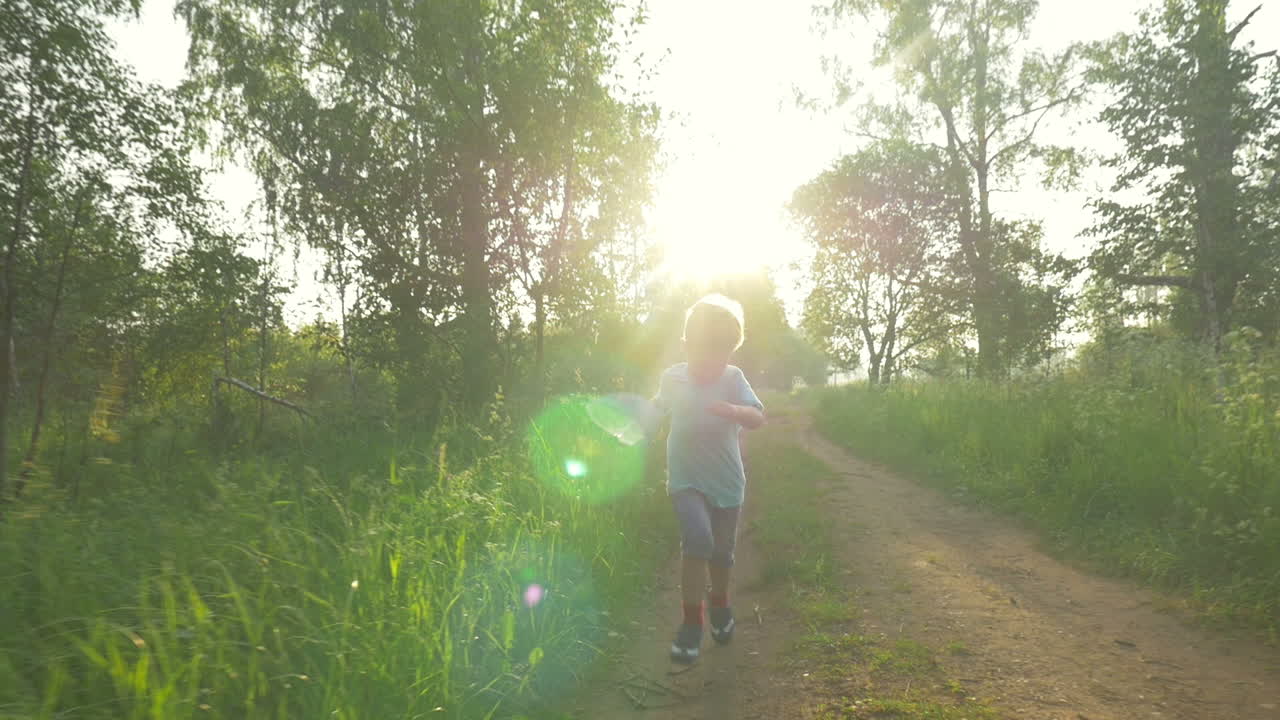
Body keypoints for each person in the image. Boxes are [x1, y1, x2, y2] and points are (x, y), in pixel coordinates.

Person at [652, 294, 766, 663]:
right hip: (685, 478)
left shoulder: (733, 378)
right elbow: (657, 409)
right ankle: (691, 624)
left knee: (721, 552)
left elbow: (757, 416)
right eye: (702, 351)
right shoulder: (673, 378)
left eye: (720, 353)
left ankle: (719, 603)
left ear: (731, 353)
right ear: (685, 346)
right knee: (697, 540)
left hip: (727, 481)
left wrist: (734, 410)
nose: (710, 361)